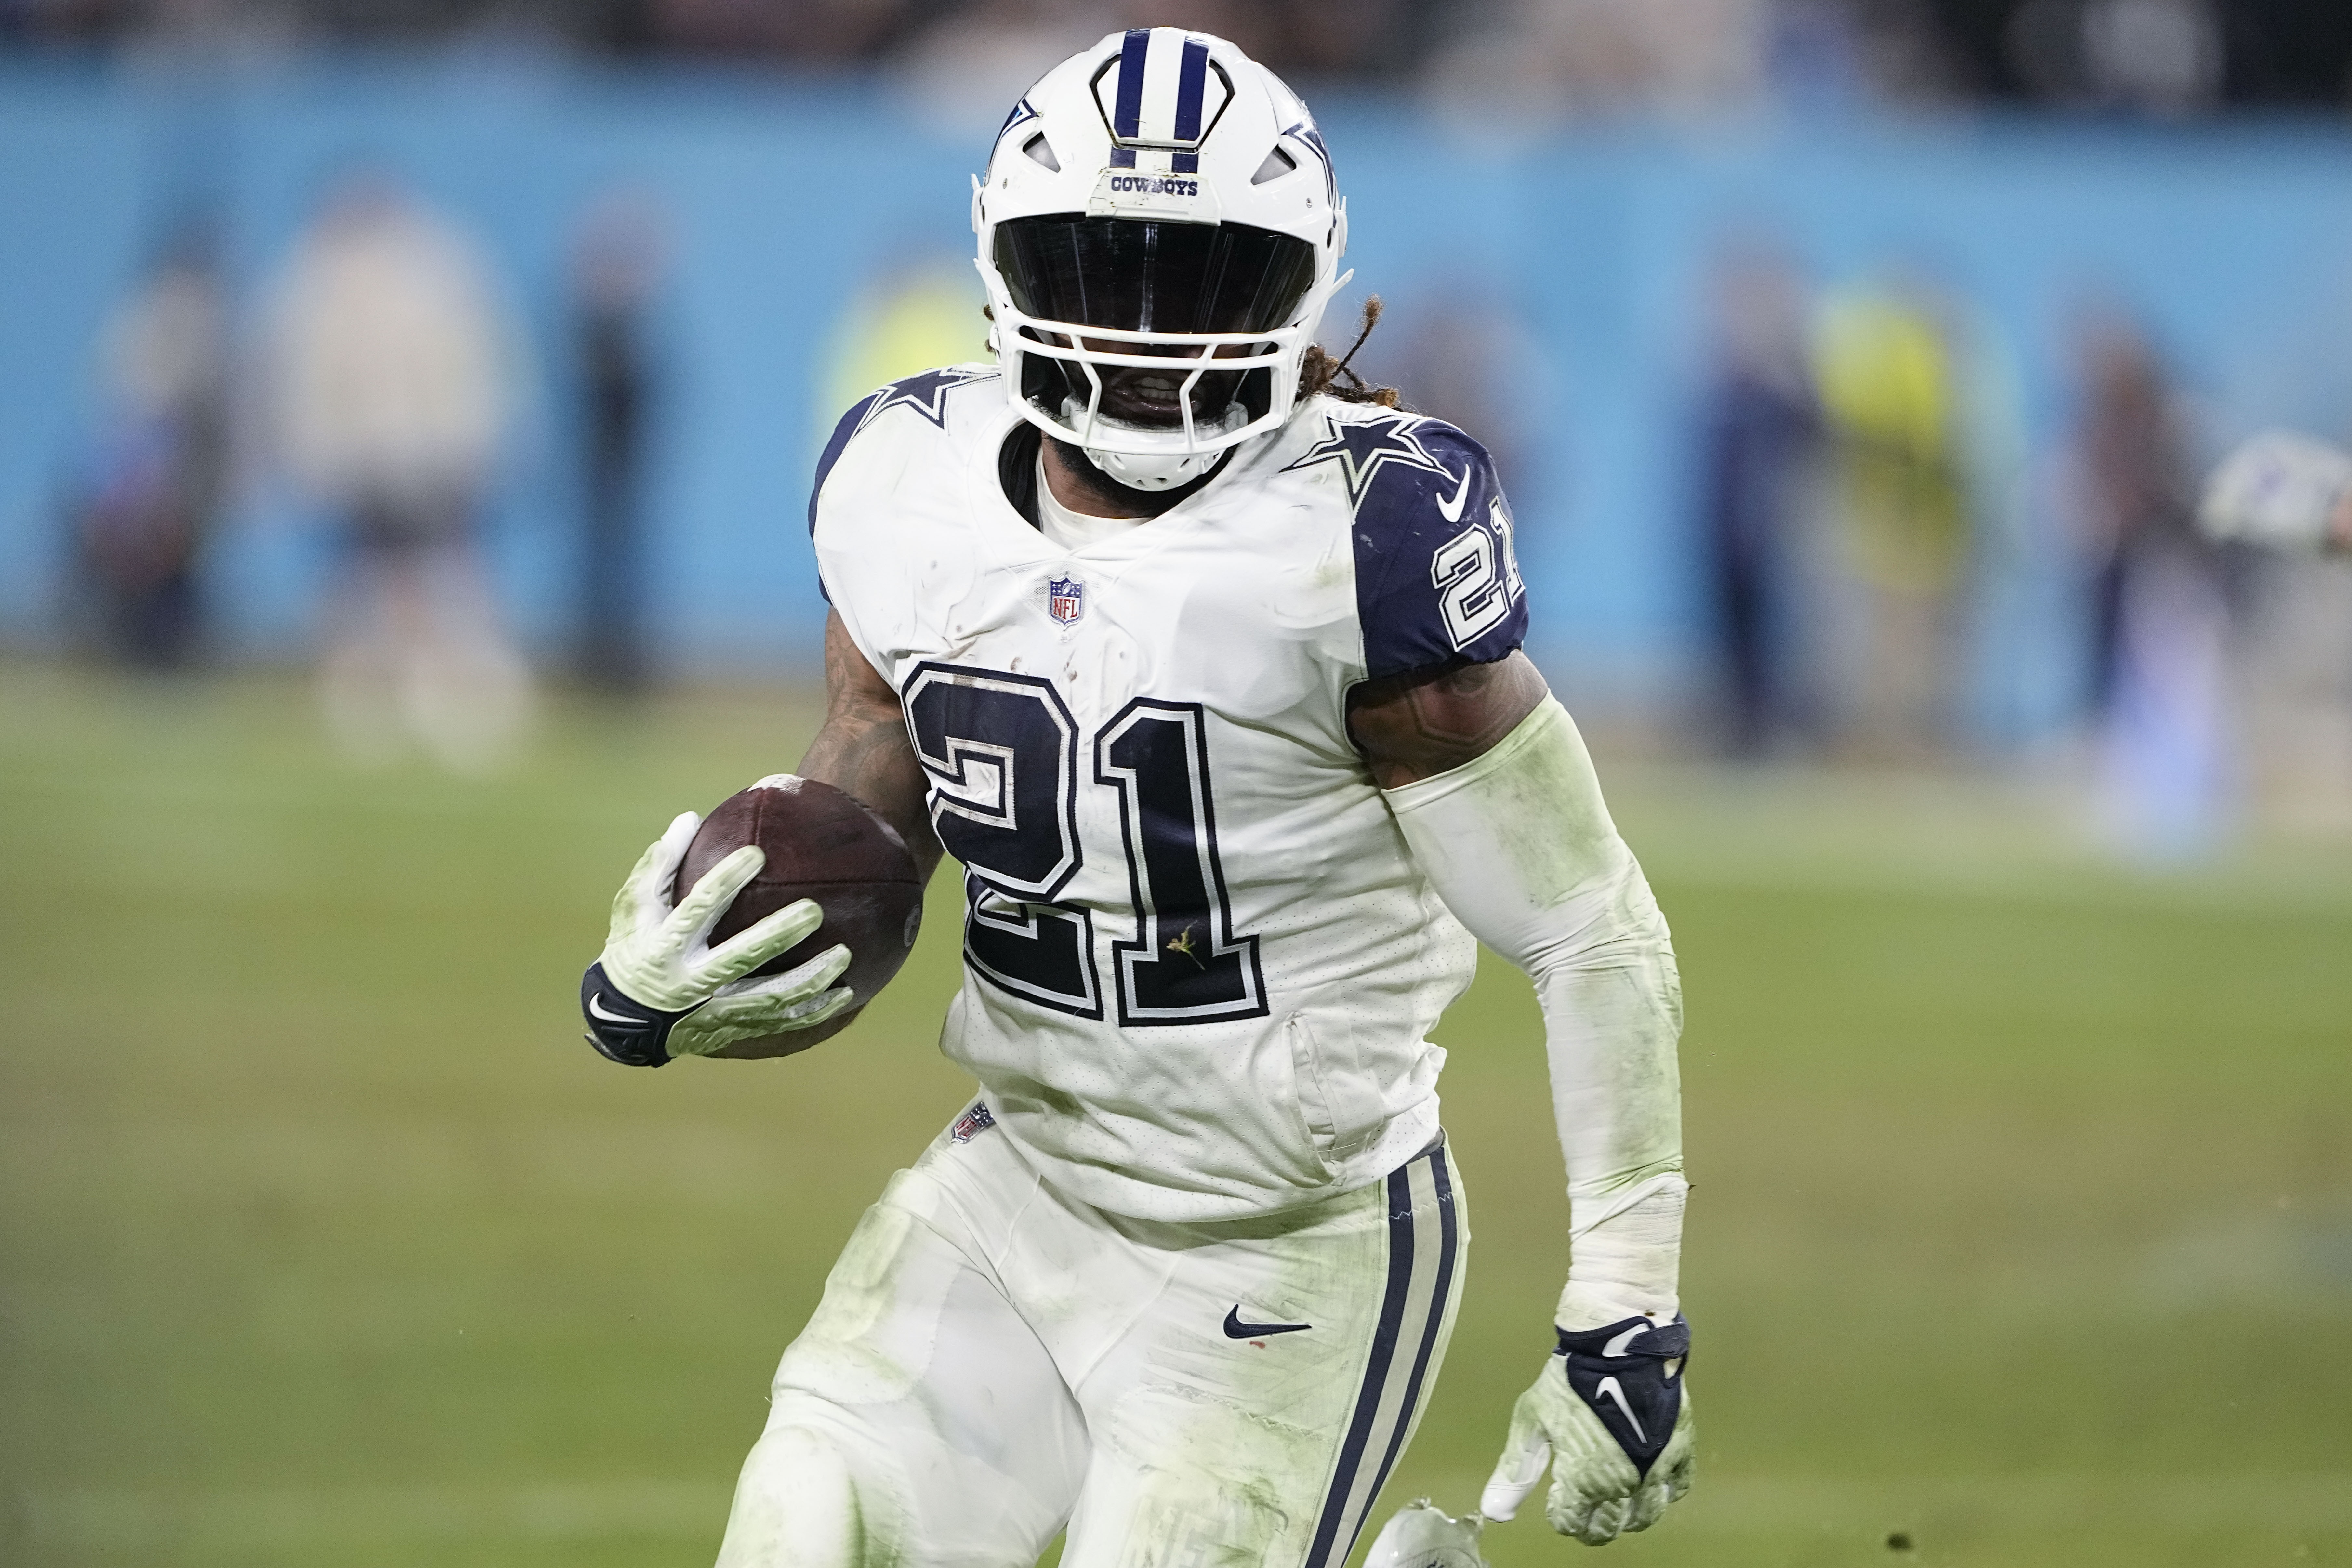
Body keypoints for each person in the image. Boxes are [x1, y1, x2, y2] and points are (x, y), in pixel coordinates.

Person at [576, 29, 1694, 1567]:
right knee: (797, 1525)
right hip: (1018, 1183)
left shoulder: (1357, 538)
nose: (1149, 331)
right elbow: (874, 807)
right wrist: (710, 942)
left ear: (1296, 279)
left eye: (1199, 275)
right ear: (1002, 259)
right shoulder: (906, 482)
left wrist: (1620, 1309)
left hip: (1289, 1245)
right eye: (1101, 266)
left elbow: (1585, 926)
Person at [261, 171, 532, 772]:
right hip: (370, 460)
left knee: (441, 583)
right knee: (369, 586)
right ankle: (375, 710)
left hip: (424, 457)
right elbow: (307, 379)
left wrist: (469, 447)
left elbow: (466, 368)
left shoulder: (430, 271)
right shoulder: (322, 278)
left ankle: (467, 707)